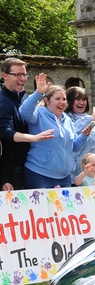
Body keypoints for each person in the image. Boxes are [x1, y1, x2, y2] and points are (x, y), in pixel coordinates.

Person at [19, 73, 95, 189]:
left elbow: (75, 147)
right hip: (39, 174)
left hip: (64, 177)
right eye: (57, 99)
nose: (62, 102)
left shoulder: (67, 120)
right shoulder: (39, 113)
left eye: (64, 99)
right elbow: (23, 112)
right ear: (47, 100)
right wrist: (38, 93)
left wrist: (84, 136)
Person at [0, 57, 54, 190]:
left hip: (31, 168)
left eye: (24, 74)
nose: (23, 78)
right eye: (18, 74)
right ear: (5, 76)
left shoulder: (24, 97)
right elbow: (4, 131)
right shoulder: (3, 102)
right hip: (12, 171)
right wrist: (33, 138)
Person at [65, 86, 95, 182]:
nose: (81, 103)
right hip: (76, 173)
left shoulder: (87, 118)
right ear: (70, 101)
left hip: (92, 173)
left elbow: (89, 143)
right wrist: (91, 119)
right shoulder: (66, 118)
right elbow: (75, 130)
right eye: (78, 99)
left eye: (84, 99)